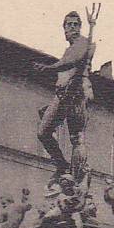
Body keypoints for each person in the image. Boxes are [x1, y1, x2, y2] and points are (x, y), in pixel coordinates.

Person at [34, 10, 97, 180]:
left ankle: (76, 179)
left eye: (76, 24)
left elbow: (72, 62)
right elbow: (69, 62)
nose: (72, 28)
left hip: (76, 94)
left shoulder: (84, 42)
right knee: (43, 133)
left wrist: (49, 68)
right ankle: (62, 165)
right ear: (64, 29)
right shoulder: (71, 49)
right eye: (69, 24)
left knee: (76, 139)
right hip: (62, 95)